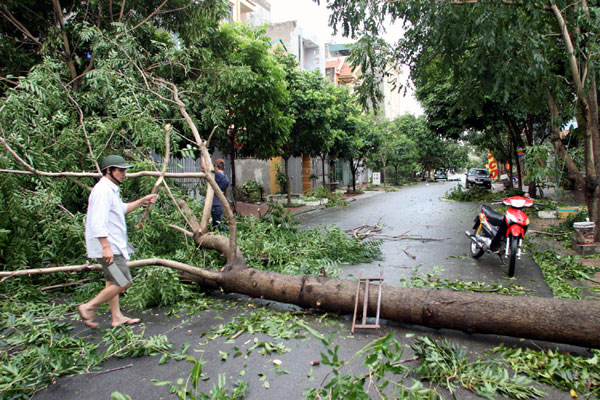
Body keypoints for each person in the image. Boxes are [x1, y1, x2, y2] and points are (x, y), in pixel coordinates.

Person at [77, 155, 157, 328]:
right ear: (109, 171)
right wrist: (106, 247)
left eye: (124, 170)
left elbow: (122, 209)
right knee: (123, 281)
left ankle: (117, 317)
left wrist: (143, 201)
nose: (124, 174)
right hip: (110, 247)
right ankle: (88, 306)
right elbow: (97, 221)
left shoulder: (111, 189)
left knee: (112, 281)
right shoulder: (102, 191)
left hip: (113, 244)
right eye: (120, 170)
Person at [201, 157, 230, 231]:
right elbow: (225, 195)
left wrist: (202, 154)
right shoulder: (226, 179)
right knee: (215, 225)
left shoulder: (215, 175)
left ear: (215, 166)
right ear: (224, 167)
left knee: (219, 225)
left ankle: (226, 238)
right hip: (219, 205)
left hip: (214, 205)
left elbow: (204, 167)